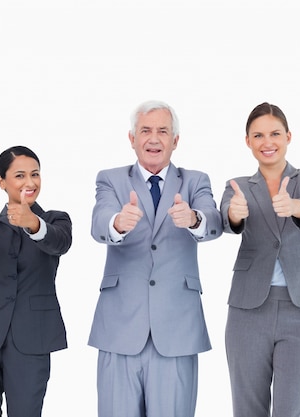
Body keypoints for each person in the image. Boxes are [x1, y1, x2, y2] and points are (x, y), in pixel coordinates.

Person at [88, 100, 223, 417]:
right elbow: (99, 222)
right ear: (132, 138)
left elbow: (214, 220)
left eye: (163, 131)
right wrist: (118, 223)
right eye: (145, 130)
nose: (154, 138)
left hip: (177, 330)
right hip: (119, 328)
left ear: (175, 140)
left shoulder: (195, 181)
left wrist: (192, 218)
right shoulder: (110, 179)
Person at [220, 102, 300, 417]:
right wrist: (234, 213)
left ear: (288, 136)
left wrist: (296, 206)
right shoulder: (238, 186)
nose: (267, 142)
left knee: (290, 411)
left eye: (274, 134)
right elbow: (226, 217)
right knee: (247, 410)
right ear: (248, 141)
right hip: (247, 313)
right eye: (258, 135)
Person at [0, 145, 72, 417]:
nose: (30, 182)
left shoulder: (55, 219)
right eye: (19, 176)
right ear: (1, 182)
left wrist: (33, 223)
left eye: (35, 174)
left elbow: (59, 242)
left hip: (32, 340)